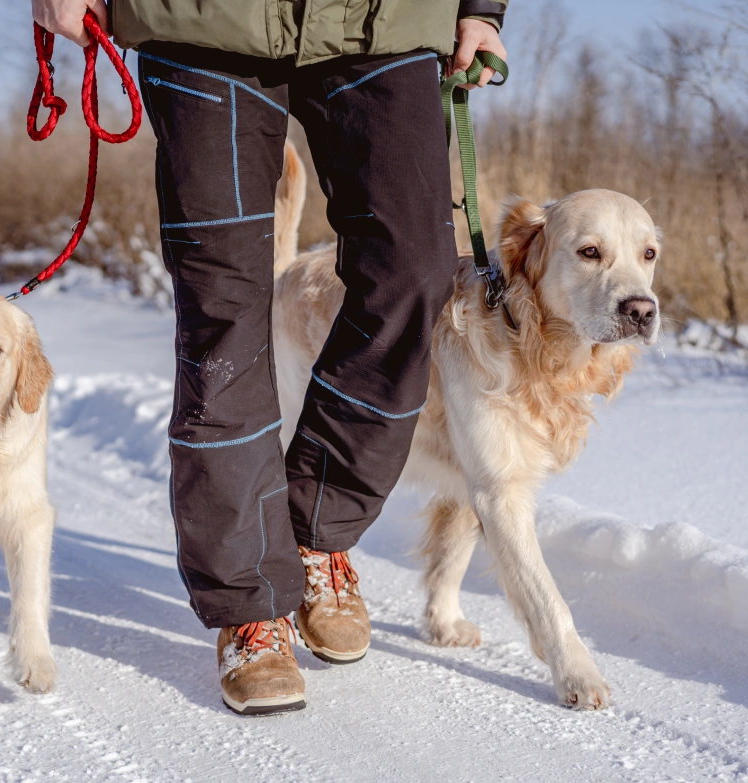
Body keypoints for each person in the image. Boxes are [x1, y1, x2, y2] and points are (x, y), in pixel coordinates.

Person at [32, 0, 508, 716]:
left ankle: (319, 529)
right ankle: (247, 602)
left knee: (414, 274)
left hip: (387, 21)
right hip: (202, 22)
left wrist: (481, 8)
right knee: (223, 313)